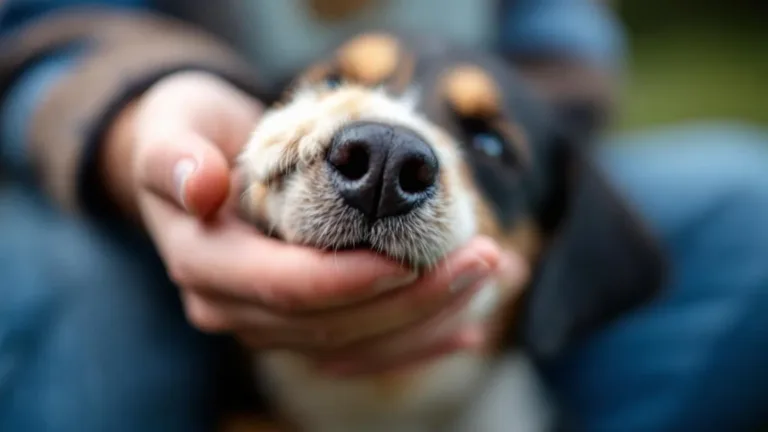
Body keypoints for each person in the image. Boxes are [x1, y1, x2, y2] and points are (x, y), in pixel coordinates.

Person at [1, 1, 766, 431]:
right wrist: (137, 118)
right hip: (119, 177)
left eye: (487, 139)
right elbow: (32, 25)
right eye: (333, 89)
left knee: (748, 210)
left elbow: (567, 60)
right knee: (78, 298)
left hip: (489, 368)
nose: (388, 153)